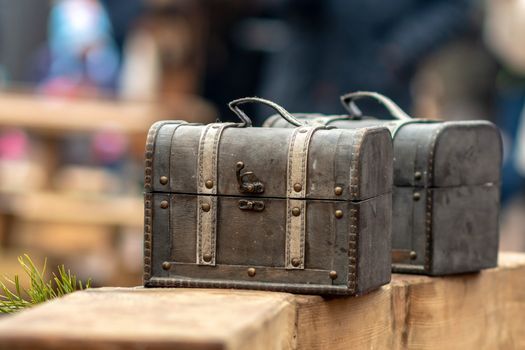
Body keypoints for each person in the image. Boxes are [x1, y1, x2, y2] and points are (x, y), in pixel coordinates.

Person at [255, 0, 473, 123]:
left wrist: (397, 53)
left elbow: (453, 7)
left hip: (374, 80)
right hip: (304, 73)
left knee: (368, 174)